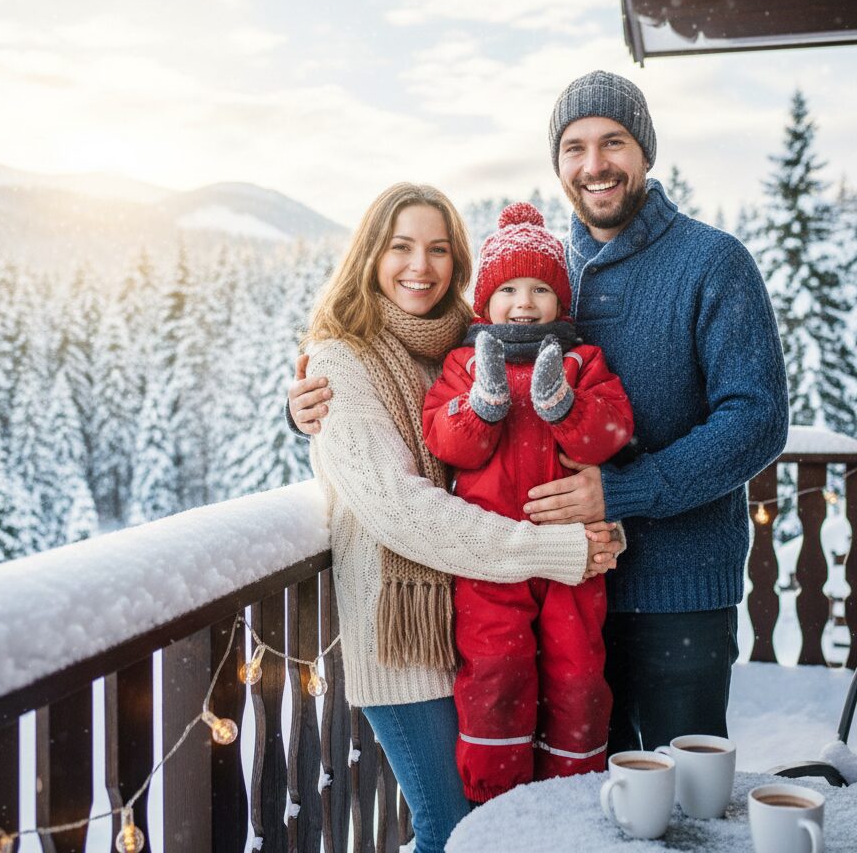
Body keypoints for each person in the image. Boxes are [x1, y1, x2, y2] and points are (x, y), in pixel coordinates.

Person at [289, 71, 790, 756]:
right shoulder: (553, 272)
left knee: (684, 799)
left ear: (644, 151)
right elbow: (430, 368)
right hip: (559, 597)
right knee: (579, 802)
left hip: (677, 593)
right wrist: (310, 403)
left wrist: (621, 490)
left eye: (612, 143)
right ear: (557, 165)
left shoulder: (712, 262)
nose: (594, 165)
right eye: (574, 148)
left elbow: (757, 419)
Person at [302, 182, 622, 853]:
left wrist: (600, 514)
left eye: (439, 249)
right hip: (402, 639)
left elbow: (507, 465)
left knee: (498, 823)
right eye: (401, 247)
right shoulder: (340, 360)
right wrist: (553, 550)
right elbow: (401, 509)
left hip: (470, 617)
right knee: (454, 832)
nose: (421, 266)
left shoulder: (454, 347)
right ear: (369, 255)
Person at [421, 201, 634, 801]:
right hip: (492, 564)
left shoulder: (579, 361)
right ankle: (497, 798)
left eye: (540, 287)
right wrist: (483, 404)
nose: (524, 301)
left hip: (572, 559)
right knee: (496, 672)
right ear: (483, 303)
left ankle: (571, 788)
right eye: (508, 288)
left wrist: (565, 406)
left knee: (578, 672)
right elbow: (447, 441)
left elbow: (613, 430)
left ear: (560, 301)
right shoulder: (464, 365)